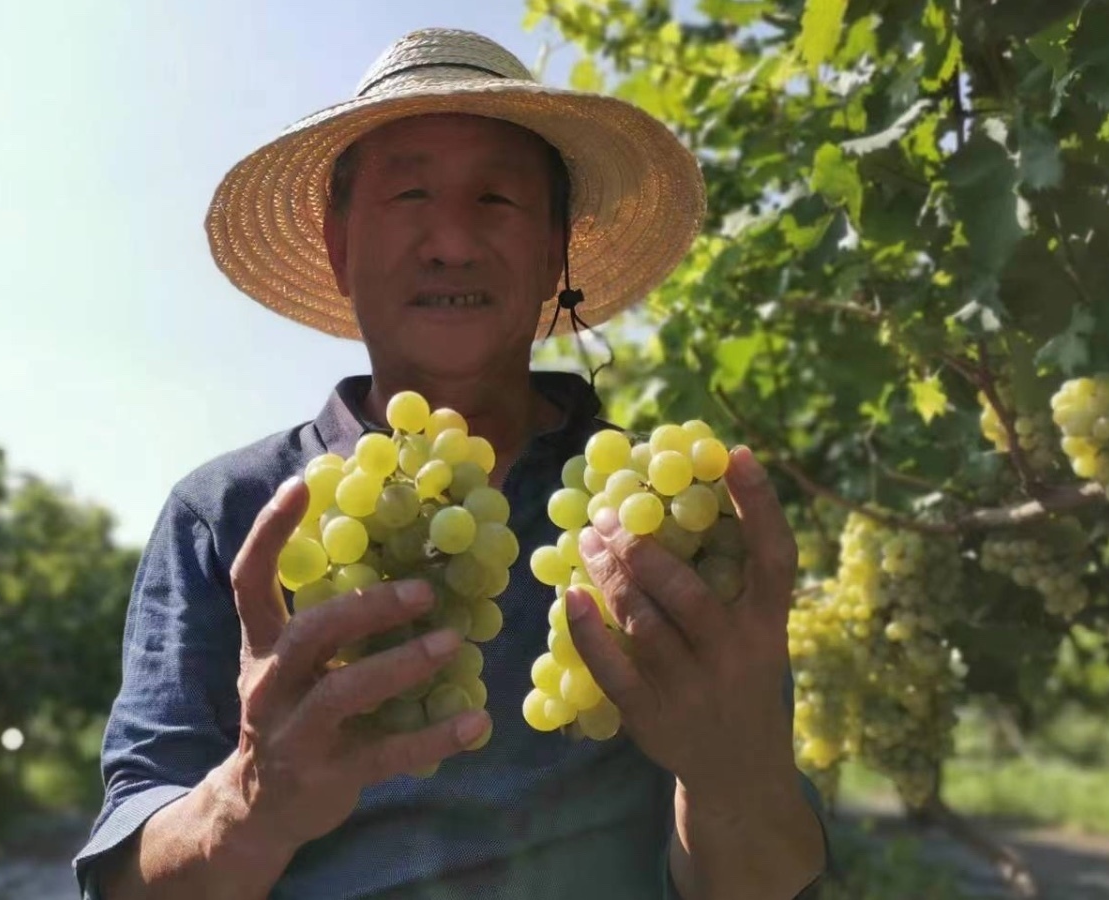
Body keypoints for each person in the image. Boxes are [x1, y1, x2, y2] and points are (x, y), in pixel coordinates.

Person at [73, 27, 832, 900]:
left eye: (498, 201)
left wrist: (731, 774)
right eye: (409, 195)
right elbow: (125, 884)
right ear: (338, 246)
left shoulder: (666, 520)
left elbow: (770, 876)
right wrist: (251, 802)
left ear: (556, 251)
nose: (451, 242)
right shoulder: (226, 513)